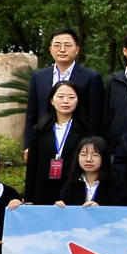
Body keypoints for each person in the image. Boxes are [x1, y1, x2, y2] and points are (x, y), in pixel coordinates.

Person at [24, 28, 104, 159]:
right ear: (50, 50)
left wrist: (91, 146)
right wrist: (28, 145)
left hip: (78, 143)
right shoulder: (39, 76)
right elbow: (32, 113)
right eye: (57, 45)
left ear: (77, 50)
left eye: (67, 45)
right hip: (44, 140)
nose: (62, 49)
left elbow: (95, 116)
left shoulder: (91, 77)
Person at [24, 81, 92, 206]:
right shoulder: (40, 130)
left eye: (71, 97)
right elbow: (32, 166)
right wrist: (28, 199)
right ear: (52, 100)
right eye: (60, 96)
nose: (65, 101)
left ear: (78, 101)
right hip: (43, 192)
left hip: (74, 190)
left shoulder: (86, 130)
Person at [56, 137, 127, 207]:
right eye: (84, 154)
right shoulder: (71, 185)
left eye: (95, 155)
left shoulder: (118, 186)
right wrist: (59, 208)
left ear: (104, 158)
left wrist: (100, 210)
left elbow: (121, 212)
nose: (89, 159)